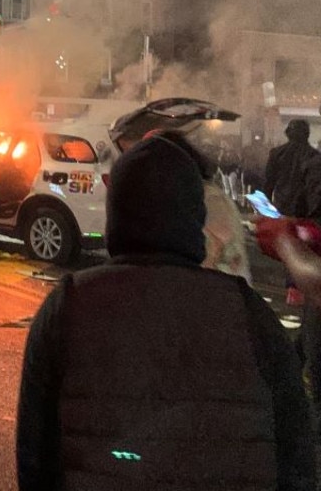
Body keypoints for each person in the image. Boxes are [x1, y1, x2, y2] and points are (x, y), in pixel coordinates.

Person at [16, 134, 316, 490]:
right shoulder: (246, 311)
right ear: (194, 215)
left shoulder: (68, 305)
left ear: (117, 213)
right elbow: (296, 444)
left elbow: (35, 452)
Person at [265, 119, 318, 217]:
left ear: (288, 133)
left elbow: (268, 183)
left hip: (281, 207)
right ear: (307, 134)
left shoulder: (276, 153)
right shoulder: (314, 155)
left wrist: (266, 211)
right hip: (305, 210)